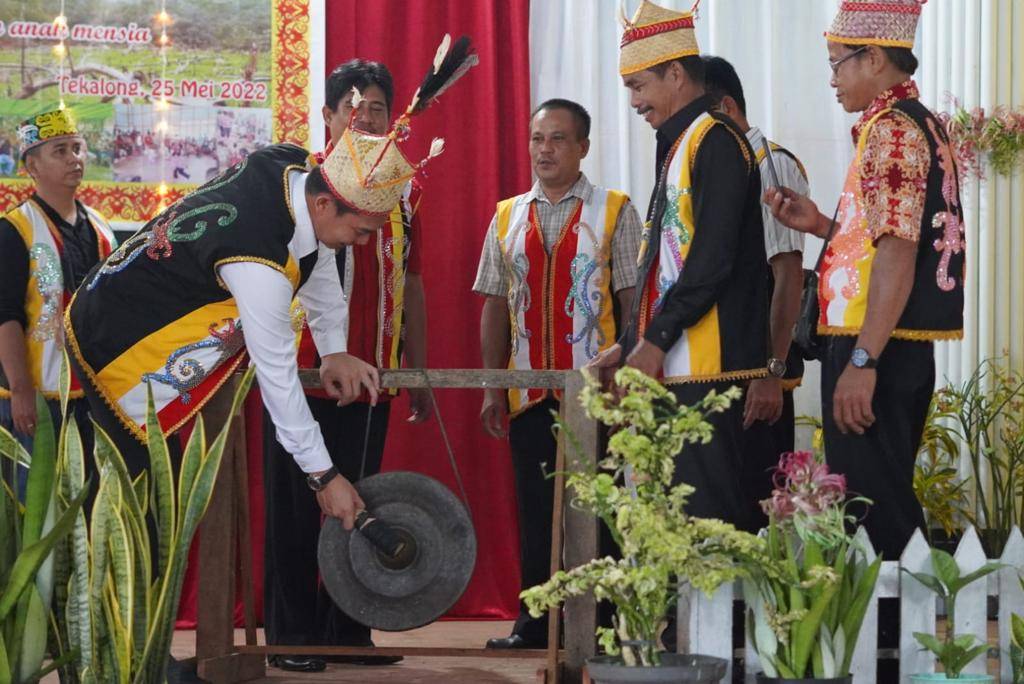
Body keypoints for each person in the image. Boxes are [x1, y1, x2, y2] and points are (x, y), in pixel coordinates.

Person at [764, 0, 965, 560]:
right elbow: (885, 243)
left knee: (873, 511)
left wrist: (862, 361)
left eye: (837, 63)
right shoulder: (916, 122)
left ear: (873, 58)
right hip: (889, 343)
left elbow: (899, 252)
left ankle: (898, 617)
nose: (832, 79)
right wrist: (821, 226)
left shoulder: (892, 130)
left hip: (876, 345)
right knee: (873, 499)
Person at [261, 59, 430, 671]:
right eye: (353, 109)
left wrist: (417, 371)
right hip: (302, 379)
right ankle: (291, 637)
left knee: (364, 502)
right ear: (328, 116)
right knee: (294, 510)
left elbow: (413, 284)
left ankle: (350, 631)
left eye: (378, 110)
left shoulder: (402, 195)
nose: (366, 120)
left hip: (373, 378)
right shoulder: (301, 188)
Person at [589, 0, 770, 530]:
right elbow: (662, 263)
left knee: (706, 522)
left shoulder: (716, 140)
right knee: (672, 523)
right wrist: (631, 339)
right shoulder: (679, 143)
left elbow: (711, 260)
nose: (633, 102)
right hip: (679, 361)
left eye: (639, 86)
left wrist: (656, 339)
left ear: (675, 74)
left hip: (711, 365)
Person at [474, 99, 642, 649]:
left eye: (558, 139)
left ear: (583, 147)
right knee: (535, 510)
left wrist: (628, 372)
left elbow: (634, 302)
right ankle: (535, 624)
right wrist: (492, 387)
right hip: (527, 392)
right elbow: (494, 303)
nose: (544, 150)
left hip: (596, 391)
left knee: (600, 507)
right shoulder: (506, 215)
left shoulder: (615, 209)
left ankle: (605, 624)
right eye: (537, 138)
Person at [702, 55, 809, 531]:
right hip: (715, 363)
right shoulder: (709, 166)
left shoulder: (771, 165)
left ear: (726, 107)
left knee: (756, 512)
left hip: (757, 370)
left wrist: (771, 371)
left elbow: (787, 277)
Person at [0, 108, 116, 496]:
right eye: (60, 151)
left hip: (92, 394)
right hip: (36, 397)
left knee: (88, 504)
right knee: (34, 507)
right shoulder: (15, 229)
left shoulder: (101, 228)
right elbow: (5, 315)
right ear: (31, 166)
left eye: (77, 148)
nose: (74, 159)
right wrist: (20, 389)